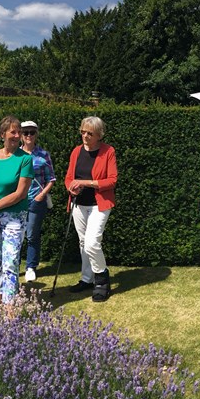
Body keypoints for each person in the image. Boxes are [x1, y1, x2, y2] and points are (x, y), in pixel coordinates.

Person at [0, 116, 34, 312]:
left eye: (19, 132)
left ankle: (10, 306)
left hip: (14, 217)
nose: (17, 135)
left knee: (10, 260)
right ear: (2, 134)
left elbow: (20, 194)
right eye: (13, 132)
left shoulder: (25, 159)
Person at [66, 116, 118, 302]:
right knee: (82, 243)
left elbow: (112, 180)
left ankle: (102, 279)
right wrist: (72, 187)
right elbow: (69, 177)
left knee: (92, 242)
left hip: (100, 204)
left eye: (90, 133)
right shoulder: (76, 152)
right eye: (83, 132)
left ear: (99, 135)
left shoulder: (108, 151)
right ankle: (86, 278)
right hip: (79, 203)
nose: (85, 136)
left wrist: (86, 183)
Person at [19, 121, 55, 284]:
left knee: (32, 235)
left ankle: (31, 267)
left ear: (36, 134)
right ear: (20, 135)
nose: (28, 136)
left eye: (31, 132)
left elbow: (51, 178)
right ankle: (13, 265)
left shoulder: (43, 154)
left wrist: (42, 194)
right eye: (25, 132)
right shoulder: (14, 155)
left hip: (35, 199)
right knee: (16, 235)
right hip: (17, 201)